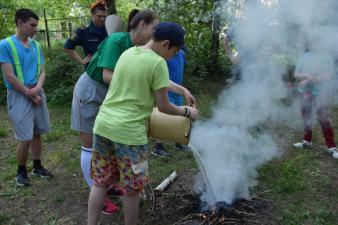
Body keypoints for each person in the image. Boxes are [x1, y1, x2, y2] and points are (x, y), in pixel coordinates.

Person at [87, 21, 199, 225]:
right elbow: (163, 106)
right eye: (175, 51)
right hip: (129, 136)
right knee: (131, 190)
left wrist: (182, 90)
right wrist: (186, 112)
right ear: (165, 44)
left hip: (103, 126)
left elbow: (157, 80)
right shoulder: (158, 63)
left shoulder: (130, 53)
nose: (174, 55)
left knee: (100, 183)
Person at [0, 8, 53, 187]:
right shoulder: (5, 45)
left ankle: (37, 166)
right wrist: (29, 93)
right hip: (19, 95)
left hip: (36, 92)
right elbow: (9, 76)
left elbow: (42, 70)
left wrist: (37, 89)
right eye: (32, 25)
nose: (35, 29)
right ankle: (20, 172)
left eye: (36, 25)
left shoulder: (36, 45)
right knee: (25, 137)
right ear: (20, 23)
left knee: (37, 133)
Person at [293, 44, 338, 159]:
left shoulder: (326, 57)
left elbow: (328, 75)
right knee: (306, 116)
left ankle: (332, 147)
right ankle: (307, 141)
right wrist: (306, 76)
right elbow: (296, 74)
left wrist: (310, 79)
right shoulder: (304, 57)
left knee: (324, 118)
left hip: (321, 92)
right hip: (306, 92)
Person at [152, 49, 188, 157]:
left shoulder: (182, 53)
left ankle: (178, 142)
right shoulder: (165, 53)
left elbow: (182, 69)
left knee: (180, 117)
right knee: (164, 119)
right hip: (166, 91)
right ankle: (158, 147)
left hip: (178, 91)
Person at [64, 0, 108, 67]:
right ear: (92, 15)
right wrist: (82, 61)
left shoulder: (110, 28)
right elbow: (67, 47)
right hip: (92, 72)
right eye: (99, 16)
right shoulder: (82, 31)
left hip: (109, 70)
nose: (102, 19)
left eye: (104, 16)